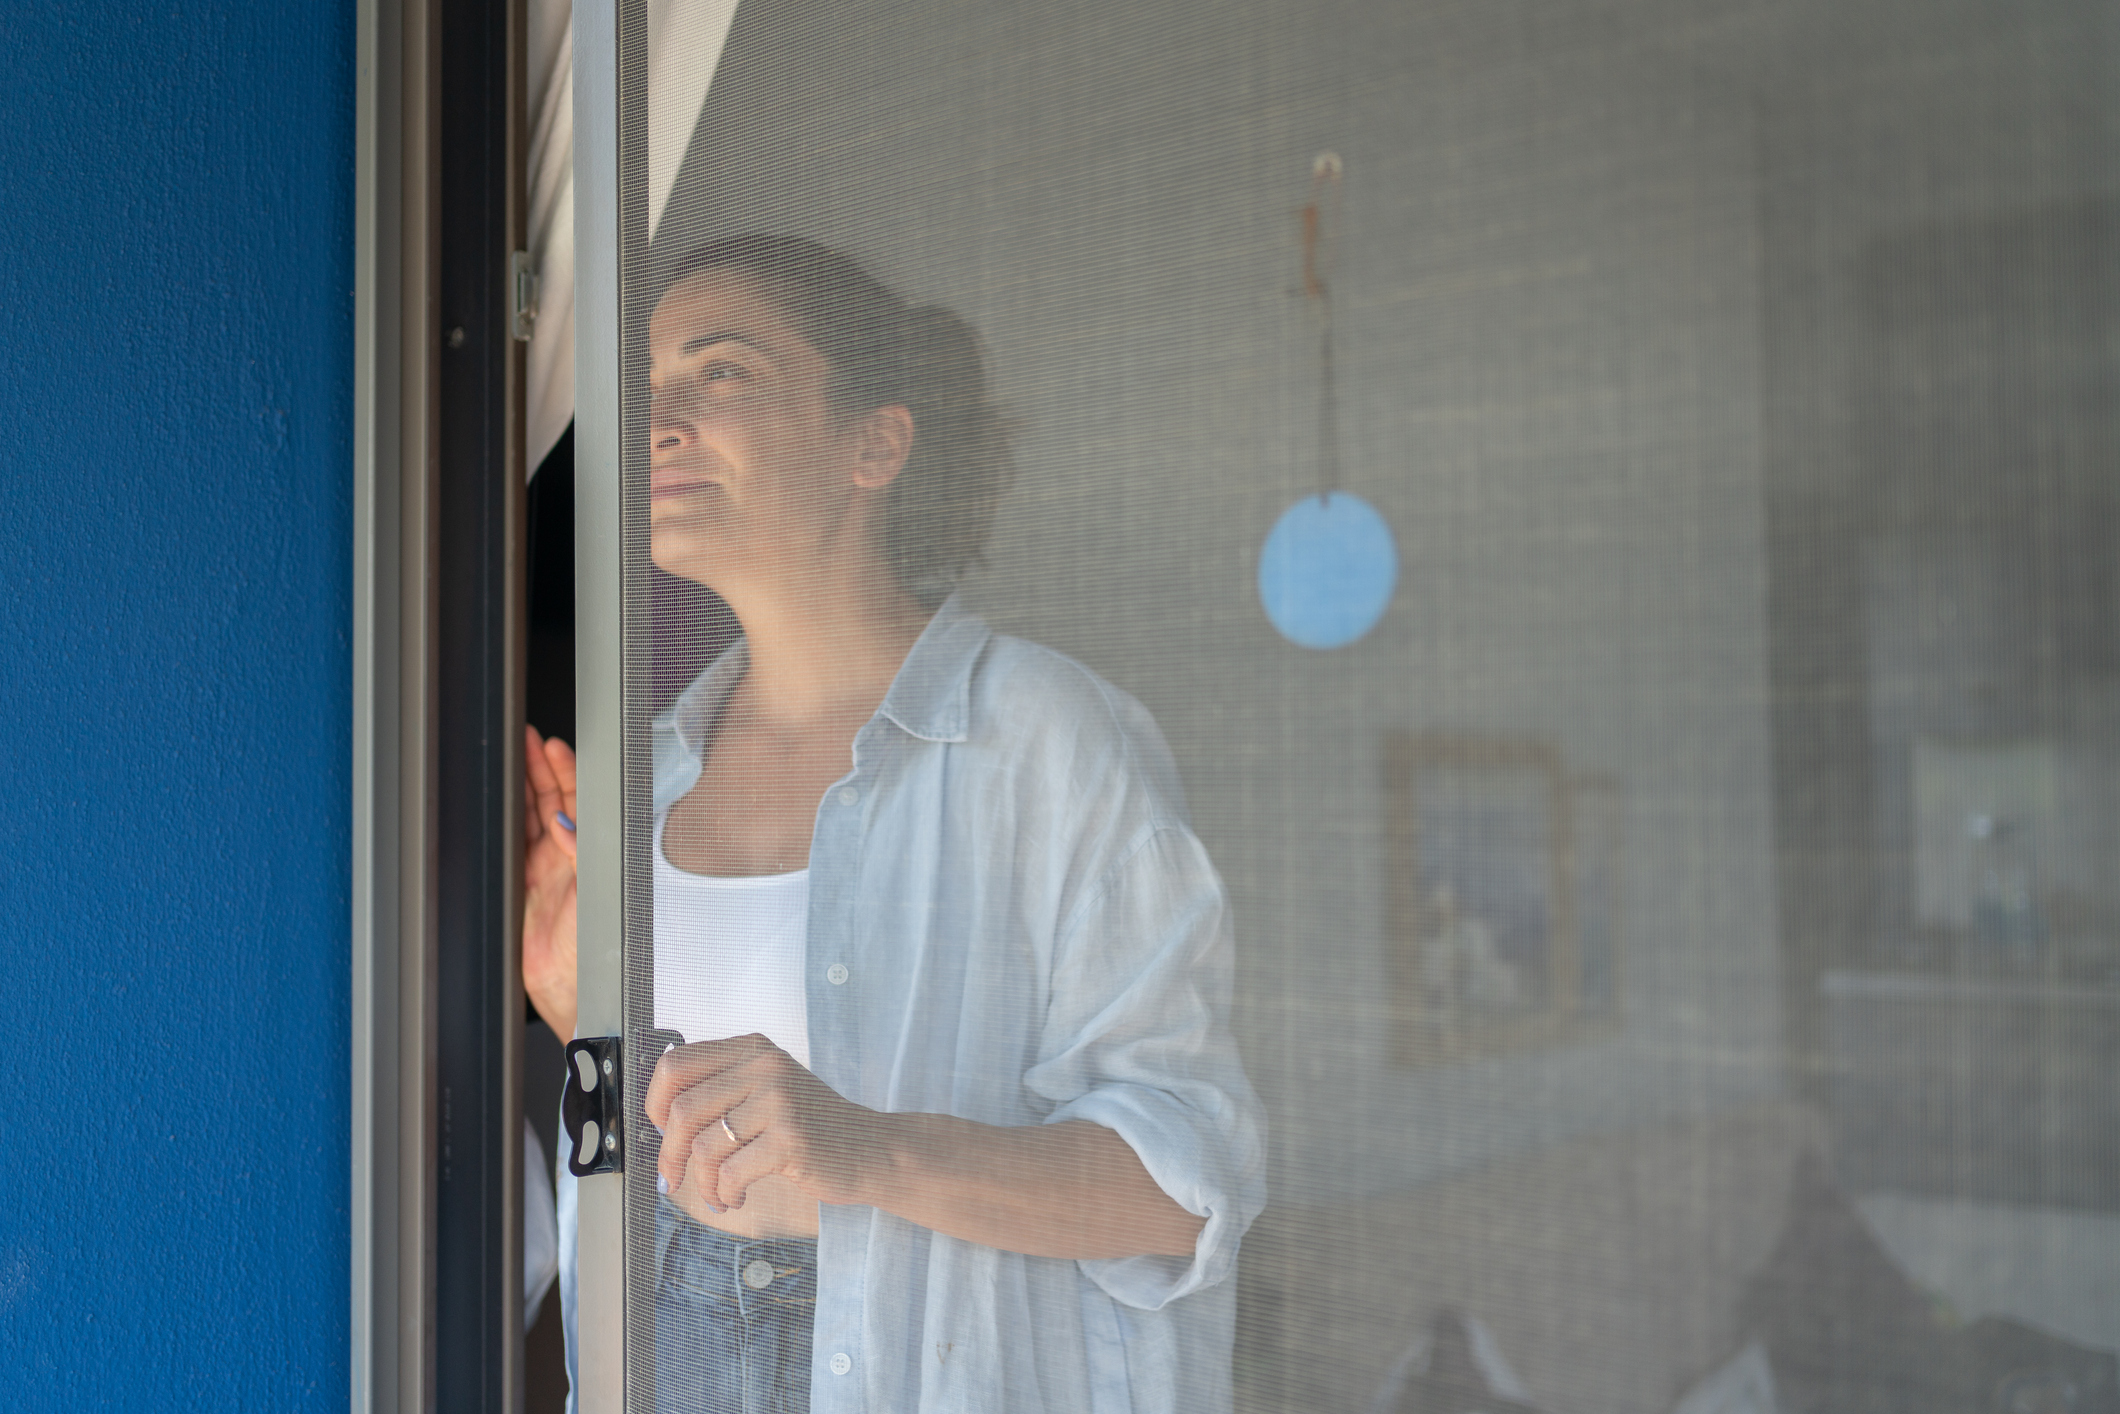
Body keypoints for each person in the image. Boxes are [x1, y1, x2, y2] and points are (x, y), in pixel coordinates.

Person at [522, 234, 1265, 1414]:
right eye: (644, 382)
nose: (654, 418)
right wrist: (579, 1018)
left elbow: (1185, 1186)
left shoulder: (1040, 735)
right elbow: (635, 1165)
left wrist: (863, 1150)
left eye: (720, 374)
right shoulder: (637, 777)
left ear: (875, 441)